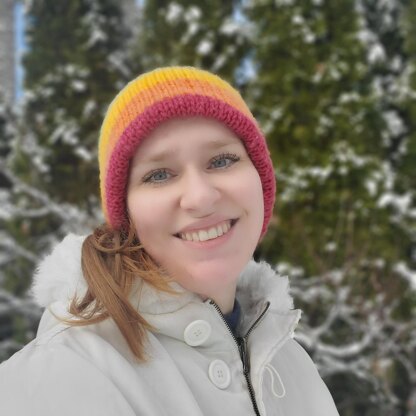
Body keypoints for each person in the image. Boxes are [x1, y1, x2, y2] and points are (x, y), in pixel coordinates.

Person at [0, 66, 339, 415]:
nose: (200, 197)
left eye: (222, 160)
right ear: (126, 212)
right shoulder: (64, 374)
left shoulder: (289, 362)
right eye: (159, 174)